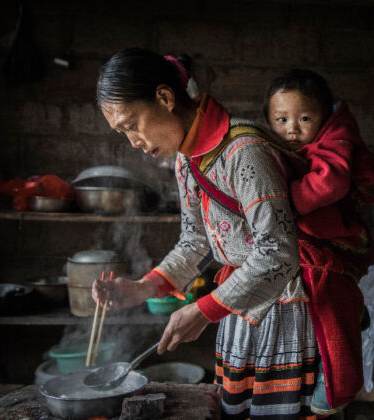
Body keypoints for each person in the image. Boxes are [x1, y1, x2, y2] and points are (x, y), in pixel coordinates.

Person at [91, 48, 319, 419]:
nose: (132, 141)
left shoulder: (244, 151)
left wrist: (205, 309)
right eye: (123, 133)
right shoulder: (186, 159)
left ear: (164, 98)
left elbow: (278, 252)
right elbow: (195, 240)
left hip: (282, 313)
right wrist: (142, 288)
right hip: (238, 308)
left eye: (131, 124)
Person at [263, 69, 374, 415]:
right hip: (325, 239)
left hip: (338, 244)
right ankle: (352, 310)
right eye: (281, 119)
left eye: (303, 118)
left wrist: (280, 200)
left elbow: (330, 185)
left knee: (326, 295)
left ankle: (339, 383)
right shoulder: (284, 149)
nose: (292, 128)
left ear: (326, 116)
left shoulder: (335, 143)